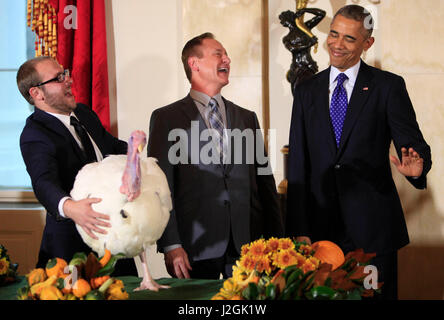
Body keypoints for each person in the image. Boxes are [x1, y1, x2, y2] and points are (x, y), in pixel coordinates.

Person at [286, 5, 431, 300]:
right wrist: (299, 229)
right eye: (334, 34)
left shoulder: (388, 87)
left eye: (349, 39)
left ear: (368, 43)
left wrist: (419, 166)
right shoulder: (306, 90)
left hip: (373, 231)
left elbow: (413, 142)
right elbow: (299, 162)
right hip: (321, 231)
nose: (337, 45)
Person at [148, 33, 284, 279]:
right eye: (218, 53)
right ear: (194, 63)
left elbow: (265, 181)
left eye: (226, 54)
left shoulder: (247, 117)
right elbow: (160, 187)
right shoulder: (166, 119)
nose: (227, 59)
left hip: (248, 246)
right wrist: (171, 244)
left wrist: (278, 240)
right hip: (194, 246)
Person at [17, 56, 137, 276]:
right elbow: (43, 183)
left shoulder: (83, 114)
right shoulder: (34, 135)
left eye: (66, 73)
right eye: (58, 78)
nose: (68, 81)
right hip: (71, 250)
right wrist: (72, 208)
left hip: (114, 239)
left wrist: (137, 148)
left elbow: (111, 148)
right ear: (37, 94)